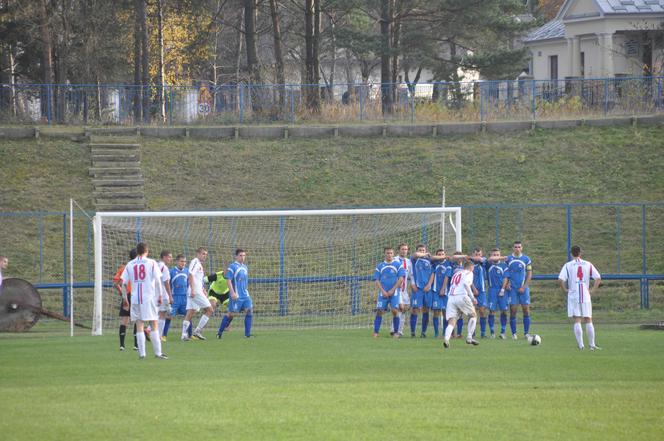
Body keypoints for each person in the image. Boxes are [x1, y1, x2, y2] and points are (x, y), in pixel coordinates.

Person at [120, 242, 167, 360]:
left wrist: (124, 298)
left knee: (139, 324)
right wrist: (160, 295)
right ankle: (158, 353)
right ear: (147, 251)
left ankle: (142, 354)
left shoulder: (130, 264)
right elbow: (157, 280)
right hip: (148, 298)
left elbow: (123, 283)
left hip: (135, 299)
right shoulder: (151, 263)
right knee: (154, 323)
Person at [558, 245, 602, 350]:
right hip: (585, 294)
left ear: (571, 253)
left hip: (574, 294)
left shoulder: (568, 265)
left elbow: (560, 280)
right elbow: (598, 278)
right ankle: (592, 345)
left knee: (577, 319)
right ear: (580, 253)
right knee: (588, 319)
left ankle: (581, 345)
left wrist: (564, 289)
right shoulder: (588, 264)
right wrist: (593, 290)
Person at [217, 248, 253, 339]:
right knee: (230, 314)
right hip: (236, 295)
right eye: (240, 255)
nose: (242, 257)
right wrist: (232, 293)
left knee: (249, 311)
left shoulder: (245, 267)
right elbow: (228, 280)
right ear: (236, 256)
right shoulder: (232, 267)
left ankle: (247, 335)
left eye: (244, 255)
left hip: (245, 295)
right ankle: (219, 332)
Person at [443, 259, 479, 348]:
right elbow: (466, 284)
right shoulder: (469, 273)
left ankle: (446, 339)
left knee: (452, 320)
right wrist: (472, 297)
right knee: (473, 315)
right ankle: (469, 337)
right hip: (462, 296)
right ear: (471, 267)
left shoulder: (456, 273)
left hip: (451, 298)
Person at [502, 241, 533, 340]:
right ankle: (514, 333)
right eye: (515, 247)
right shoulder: (508, 259)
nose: (517, 248)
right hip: (512, 289)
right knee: (513, 310)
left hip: (523, 288)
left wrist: (524, 287)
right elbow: (506, 274)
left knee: (526, 310)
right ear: (513, 248)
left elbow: (529, 274)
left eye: (519, 247)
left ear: (522, 248)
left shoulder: (526, 259)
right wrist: (507, 284)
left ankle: (526, 333)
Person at [372, 246, 405, 337]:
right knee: (379, 311)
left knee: (395, 311)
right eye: (387, 253)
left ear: (393, 254)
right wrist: (382, 291)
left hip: (394, 292)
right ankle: (376, 332)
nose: (389, 254)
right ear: (384, 254)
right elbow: (376, 280)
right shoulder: (380, 265)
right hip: (383, 293)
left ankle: (396, 332)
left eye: (391, 253)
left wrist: (392, 290)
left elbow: (401, 278)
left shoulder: (398, 265)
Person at [182, 247, 213, 341]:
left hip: (197, 290)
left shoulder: (199, 264)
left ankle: (183, 335)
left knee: (191, 312)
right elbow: (190, 274)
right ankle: (197, 331)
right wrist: (192, 290)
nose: (205, 256)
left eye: (206, 254)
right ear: (198, 254)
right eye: (203, 254)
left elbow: (197, 279)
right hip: (195, 291)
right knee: (210, 310)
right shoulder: (195, 262)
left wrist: (203, 289)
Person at [113, 248, 138, 351]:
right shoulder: (139, 266)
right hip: (136, 295)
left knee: (124, 320)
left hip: (126, 295)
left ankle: (122, 345)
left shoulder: (124, 267)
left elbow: (116, 283)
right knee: (137, 320)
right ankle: (136, 345)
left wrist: (122, 294)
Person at [410, 244, 435, 338]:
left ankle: (423, 332)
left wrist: (429, 285)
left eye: (423, 250)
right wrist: (424, 254)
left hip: (428, 289)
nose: (422, 251)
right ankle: (413, 332)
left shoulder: (430, 261)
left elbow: (433, 273)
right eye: (420, 250)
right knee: (415, 309)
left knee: (426, 310)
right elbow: (415, 255)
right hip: (418, 288)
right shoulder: (414, 259)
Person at [486, 248, 509, 339]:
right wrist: (502, 257)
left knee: (504, 310)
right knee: (492, 311)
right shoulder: (488, 264)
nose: (495, 256)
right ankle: (492, 332)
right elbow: (488, 259)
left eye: (497, 255)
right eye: (494, 255)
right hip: (492, 290)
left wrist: (503, 289)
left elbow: (506, 278)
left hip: (502, 290)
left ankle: (503, 332)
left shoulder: (504, 265)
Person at [392, 243, 413, 337]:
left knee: (404, 309)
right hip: (396, 289)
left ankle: (399, 330)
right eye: (402, 249)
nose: (404, 251)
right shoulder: (394, 260)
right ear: (399, 250)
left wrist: (413, 284)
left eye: (406, 249)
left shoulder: (408, 262)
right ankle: (394, 330)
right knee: (399, 308)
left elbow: (411, 275)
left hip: (404, 290)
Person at [168, 254, 189, 338]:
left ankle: (188, 335)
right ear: (177, 261)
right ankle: (163, 335)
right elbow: (168, 285)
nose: (183, 263)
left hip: (185, 297)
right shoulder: (171, 271)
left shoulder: (187, 271)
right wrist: (169, 296)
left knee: (188, 315)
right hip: (175, 297)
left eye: (184, 262)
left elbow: (189, 284)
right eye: (181, 261)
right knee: (168, 316)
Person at [431, 249, 449, 338]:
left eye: (442, 254)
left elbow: (448, 277)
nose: (441, 256)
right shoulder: (434, 263)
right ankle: (436, 333)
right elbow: (431, 257)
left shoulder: (448, 264)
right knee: (436, 312)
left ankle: (445, 333)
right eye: (439, 254)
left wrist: (443, 288)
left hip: (446, 292)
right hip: (435, 291)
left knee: (446, 313)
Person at [157, 250, 174, 342]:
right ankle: (157, 334)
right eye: (169, 257)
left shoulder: (156, 265)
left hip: (155, 294)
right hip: (163, 294)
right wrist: (170, 296)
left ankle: (156, 334)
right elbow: (166, 282)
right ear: (163, 257)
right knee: (163, 314)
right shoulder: (164, 268)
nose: (171, 259)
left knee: (160, 314)